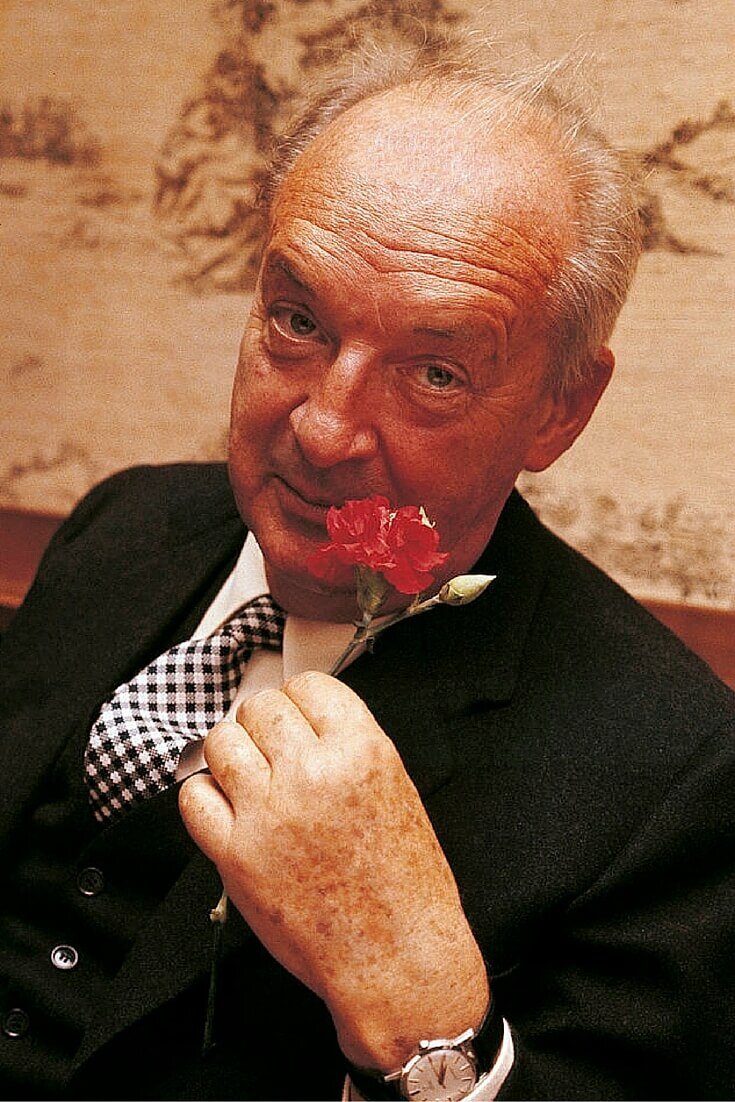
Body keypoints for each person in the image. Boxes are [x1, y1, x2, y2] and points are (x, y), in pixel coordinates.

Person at [1, 34, 733, 1102]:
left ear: (559, 408)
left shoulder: (674, 776)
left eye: (434, 373)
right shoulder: (125, 523)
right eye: (297, 321)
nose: (324, 429)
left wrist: (418, 1009)